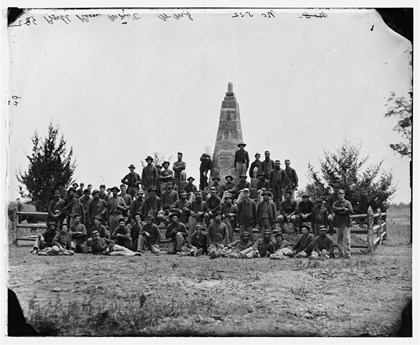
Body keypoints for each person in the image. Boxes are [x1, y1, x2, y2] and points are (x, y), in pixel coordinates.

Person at [332, 189, 353, 259]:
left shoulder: (348, 202)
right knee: (339, 239)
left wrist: (342, 212)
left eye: (341, 194)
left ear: (344, 195)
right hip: (338, 223)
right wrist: (343, 209)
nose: (340, 195)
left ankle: (347, 254)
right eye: (339, 194)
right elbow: (334, 209)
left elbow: (350, 210)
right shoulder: (336, 203)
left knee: (347, 239)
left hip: (346, 223)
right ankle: (341, 253)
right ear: (338, 195)